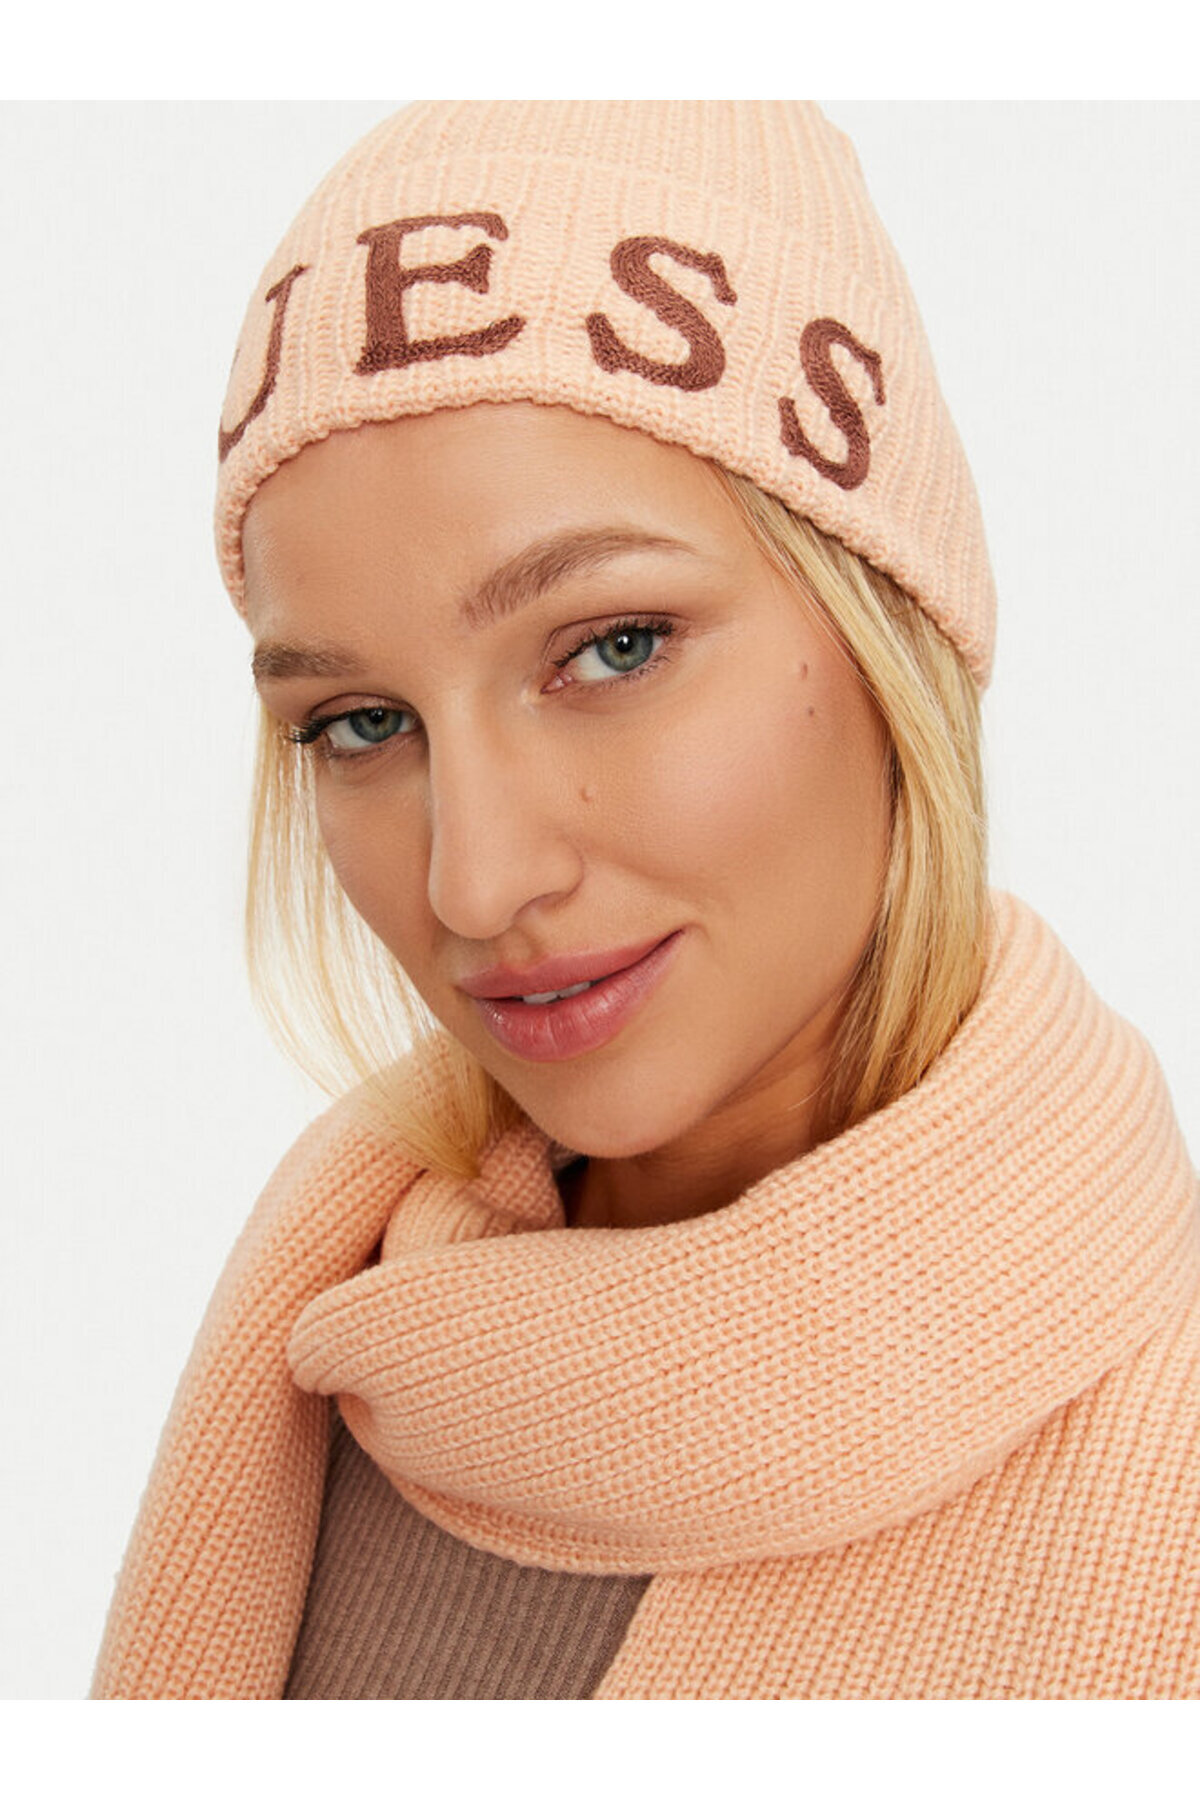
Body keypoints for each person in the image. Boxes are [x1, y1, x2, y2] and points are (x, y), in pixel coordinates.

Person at [91, 101, 1200, 1701]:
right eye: (360, 723)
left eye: (613, 648)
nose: (477, 879)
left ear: (891, 622)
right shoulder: (351, 1329)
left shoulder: (1162, 1487)